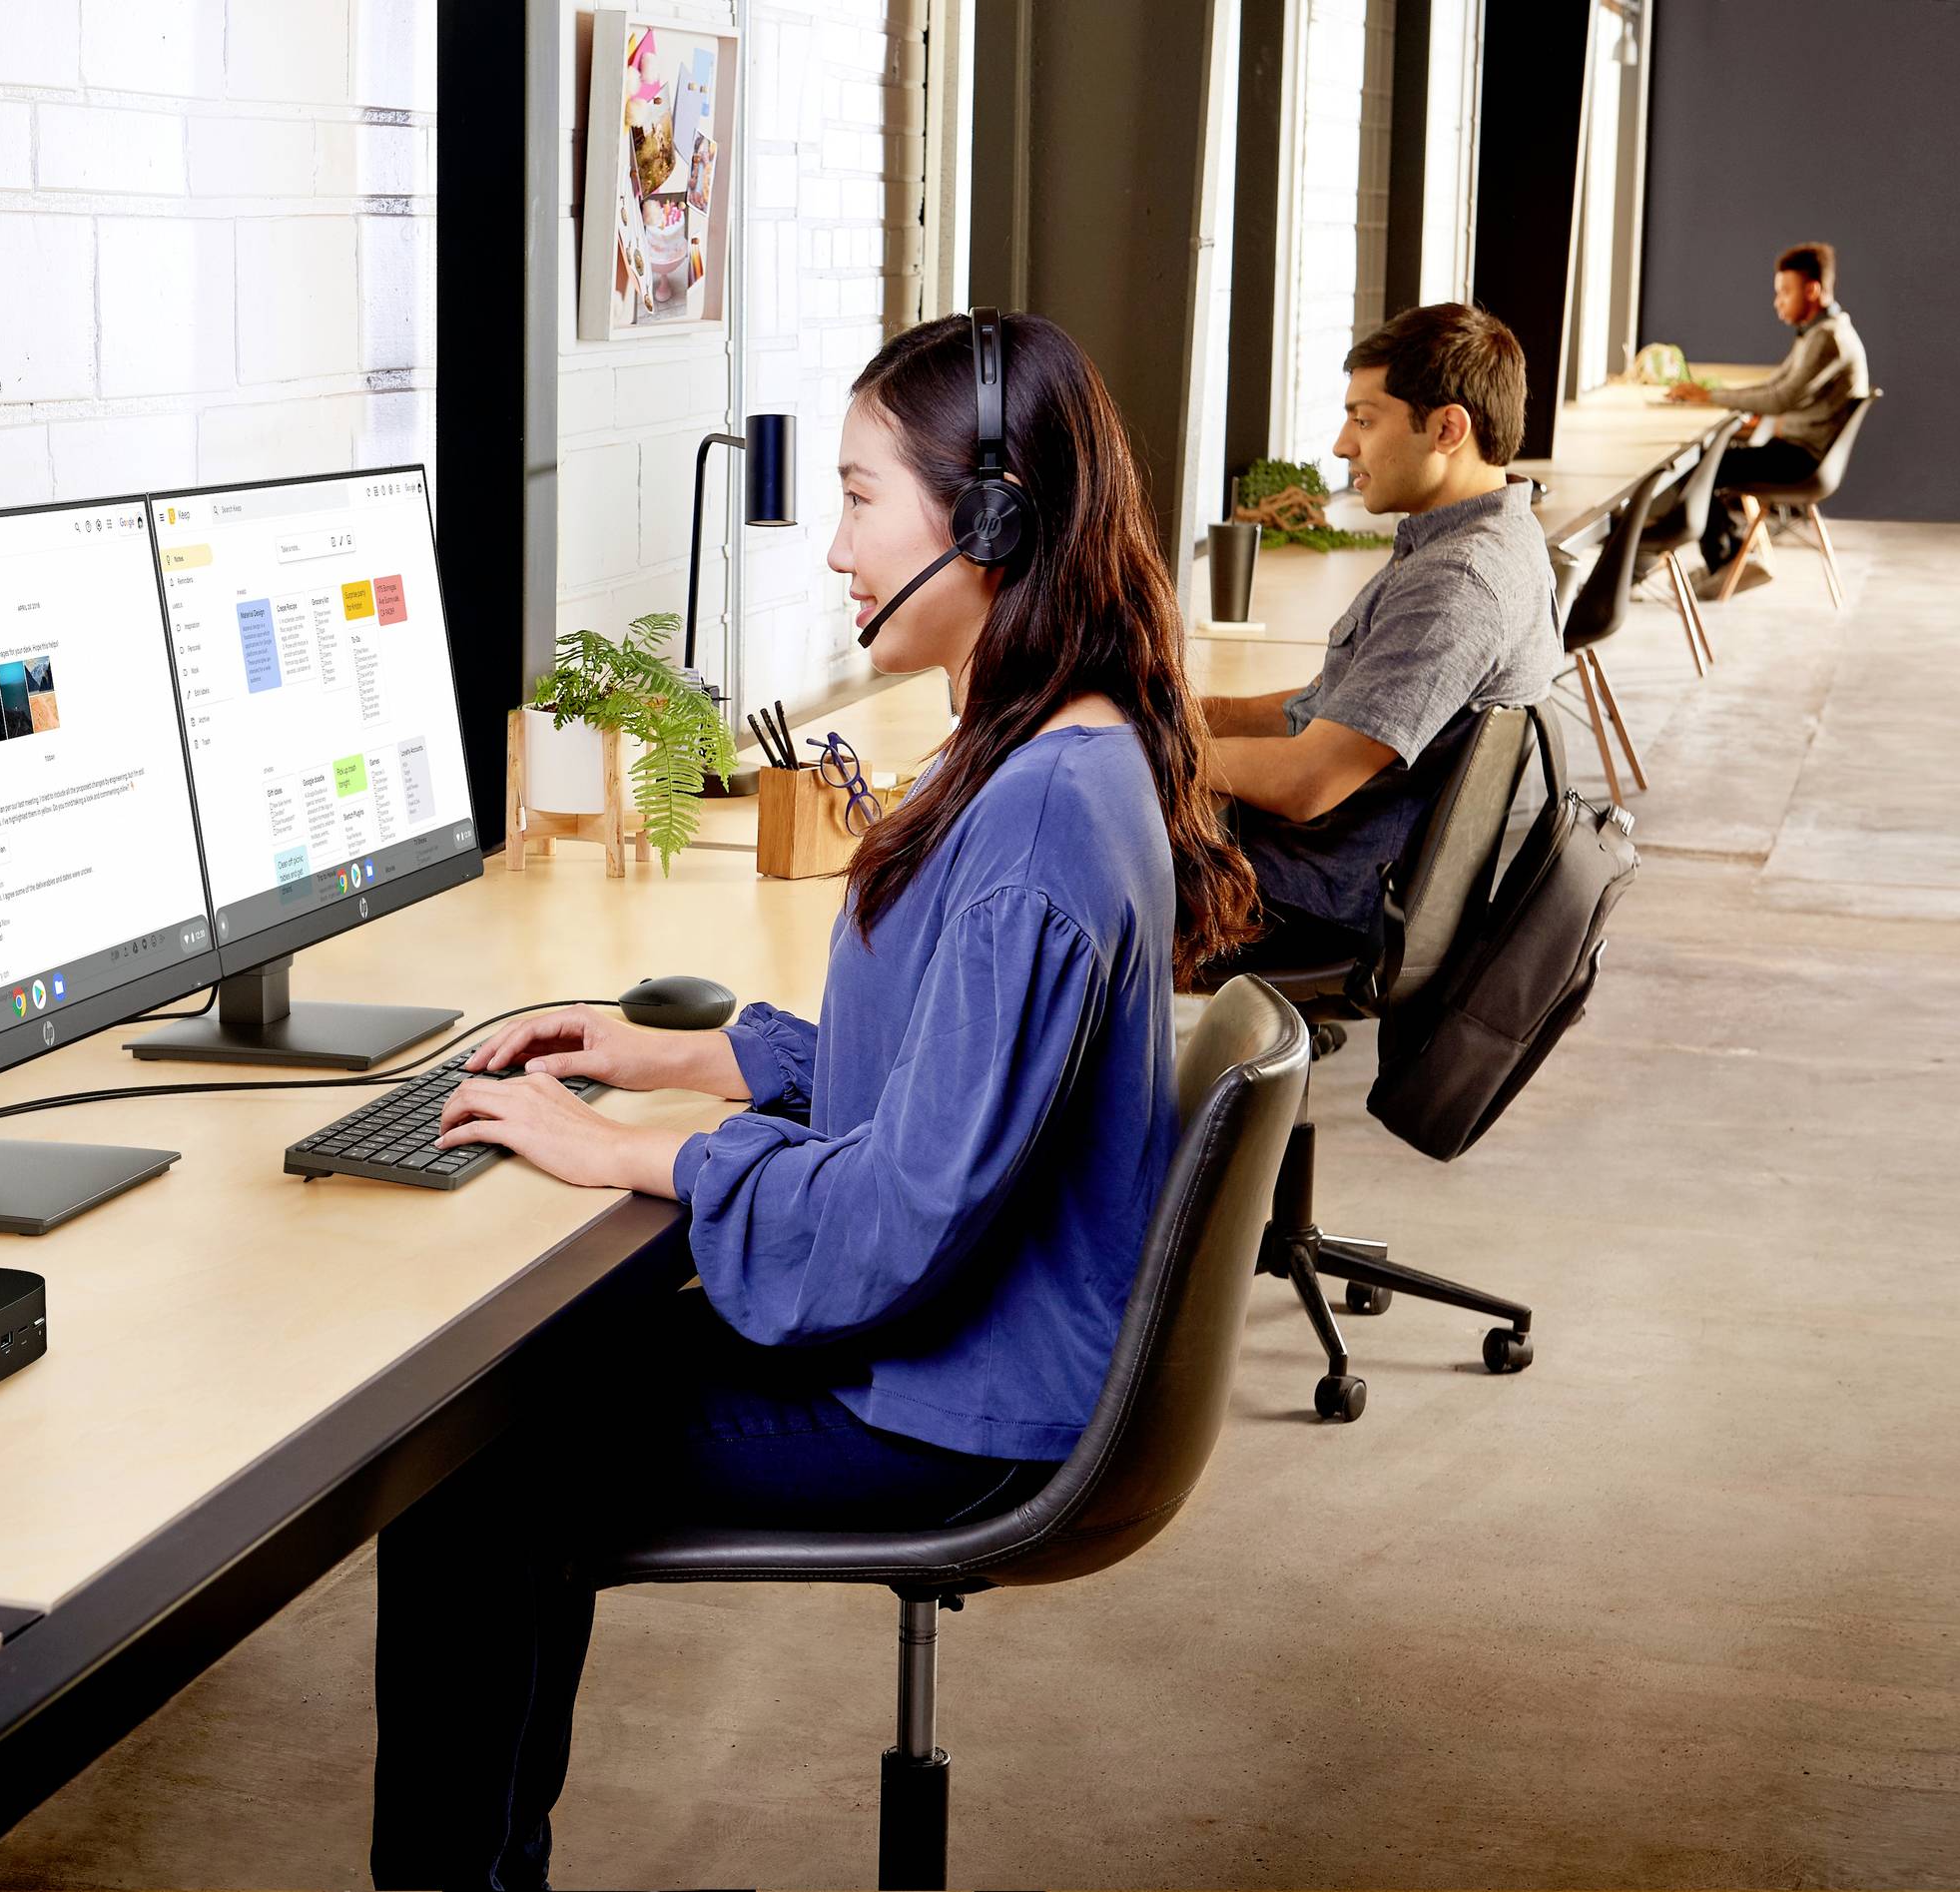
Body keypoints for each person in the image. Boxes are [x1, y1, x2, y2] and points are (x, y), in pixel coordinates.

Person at [365, 311, 1256, 1890]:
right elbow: (941, 1070)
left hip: (964, 1404)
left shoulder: (1040, 808)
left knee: (469, 1470)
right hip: (971, 1344)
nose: (835, 549)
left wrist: (631, 1151)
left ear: (990, 520)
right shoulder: (1051, 738)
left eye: (858, 498)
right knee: (518, 1387)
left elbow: (904, 1208)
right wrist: (693, 1054)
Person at [1198, 302, 1562, 969]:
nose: (1343, 445)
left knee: (1051, 836)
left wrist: (1139, 753)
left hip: (1312, 899)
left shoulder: (1456, 583)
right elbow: (1329, 713)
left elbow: (1307, 781)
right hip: (1325, 868)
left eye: (1364, 420)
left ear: (1448, 428)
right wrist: (1187, 717)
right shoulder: (1490, 538)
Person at [1667, 240, 1871, 590]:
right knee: (1710, 461)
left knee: (1698, 468)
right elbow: (1775, 384)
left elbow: (1780, 399)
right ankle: (1730, 558)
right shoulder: (1818, 331)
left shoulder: (1828, 338)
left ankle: (1728, 562)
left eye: (1785, 292)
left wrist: (1709, 397)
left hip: (1803, 461)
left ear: (1812, 290)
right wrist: (1715, 395)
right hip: (1798, 452)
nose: (1778, 302)